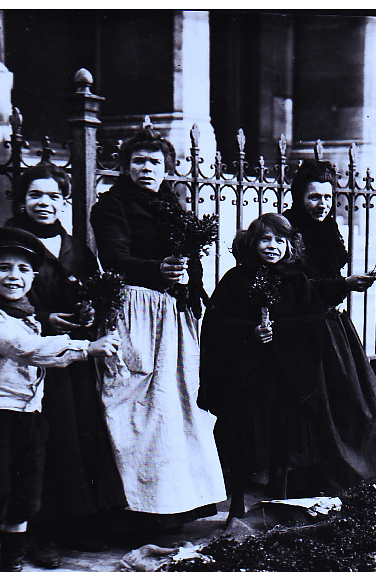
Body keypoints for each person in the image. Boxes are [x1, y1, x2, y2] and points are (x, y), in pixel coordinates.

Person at [0, 227, 120, 572]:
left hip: (29, 419)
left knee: (24, 501)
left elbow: (39, 351)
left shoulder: (28, 315)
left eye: (22, 269)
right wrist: (86, 348)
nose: (13, 276)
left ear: (34, 277)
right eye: (2, 268)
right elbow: (27, 350)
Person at [89, 126, 226, 537]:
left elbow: (193, 260)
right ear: (125, 166)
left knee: (176, 404)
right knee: (134, 403)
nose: (146, 168)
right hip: (136, 309)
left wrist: (189, 285)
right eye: (139, 161)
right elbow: (115, 255)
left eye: (155, 162)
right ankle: (133, 507)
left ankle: (174, 505)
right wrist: (158, 269)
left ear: (167, 168)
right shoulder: (112, 205)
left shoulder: (174, 206)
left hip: (174, 313)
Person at [4, 163, 126, 568]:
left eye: (53, 196)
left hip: (74, 360)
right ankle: (41, 532)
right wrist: (42, 320)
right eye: (36, 195)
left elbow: (97, 295)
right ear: (22, 200)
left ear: (65, 201)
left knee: (78, 439)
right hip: (29, 366)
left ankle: (76, 522)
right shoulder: (10, 246)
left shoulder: (76, 249)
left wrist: (90, 313)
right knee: (42, 445)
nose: (44, 203)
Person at [281, 159, 376, 496]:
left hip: (331, 324)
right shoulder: (287, 228)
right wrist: (344, 285)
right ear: (298, 198)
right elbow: (294, 285)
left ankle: (358, 472)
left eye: (327, 197)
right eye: (313, 198)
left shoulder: (329, 227)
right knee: (316, 408)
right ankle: (321, 480)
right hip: (301, 327)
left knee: (356, 405)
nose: (321, 205)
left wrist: (343, 285)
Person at [199, 214, 324, 511]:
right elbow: (215, 321)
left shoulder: (297, 281)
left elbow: (312, 324)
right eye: (265, 239)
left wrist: (281, 331)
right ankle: (237, 500)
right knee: (241, 435)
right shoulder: (236, 279)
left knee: (282, 434)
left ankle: (279, 496)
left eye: (280, 240)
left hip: (283, 374)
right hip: (245, 374)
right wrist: (249, 331)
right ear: (253, 243)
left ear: (290, 246)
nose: (272, 246)